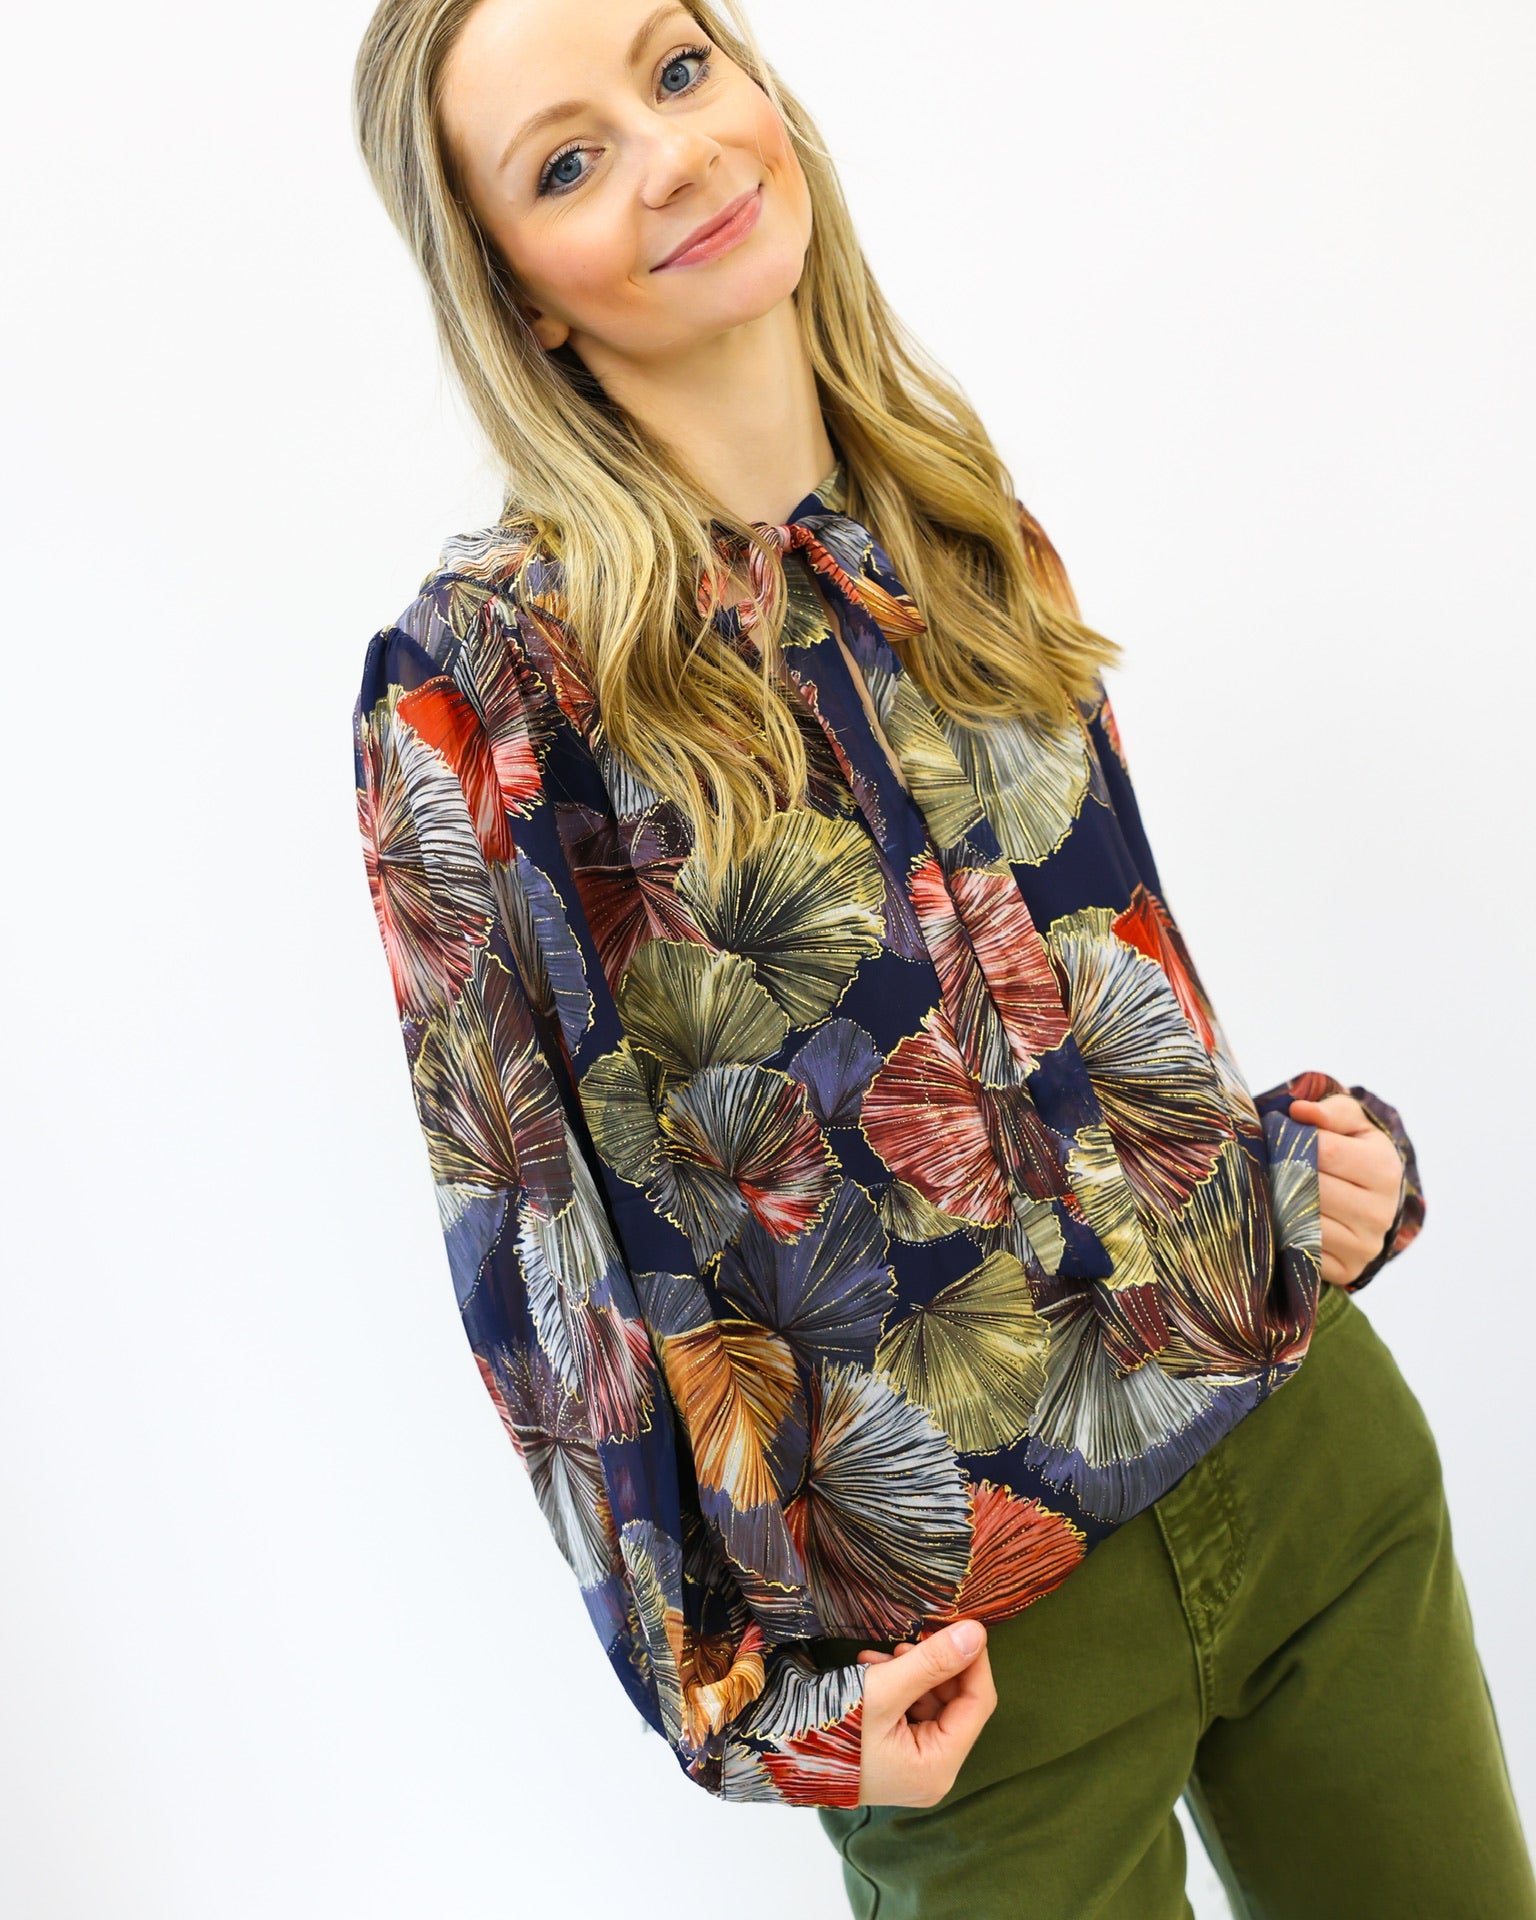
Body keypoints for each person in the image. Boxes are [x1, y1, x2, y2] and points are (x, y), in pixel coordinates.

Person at [348, 1, 1535, 1911]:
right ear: (518, 293)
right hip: (968, 1672)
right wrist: (740, 1710)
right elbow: (532, 1248)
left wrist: (1307, 1170)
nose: (671, 154)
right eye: (566, 162)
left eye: (677, 68)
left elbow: (1113, 990)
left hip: (1307, 1456)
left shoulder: (952, 514)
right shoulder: (483, 680)